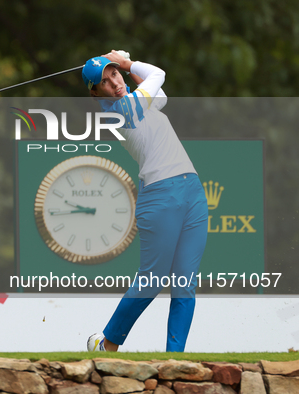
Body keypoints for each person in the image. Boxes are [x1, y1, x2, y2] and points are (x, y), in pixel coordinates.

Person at [83, 50, 209, 352]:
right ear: (96, 92)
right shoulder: (120, 109)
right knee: (152, 281)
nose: (113, 83)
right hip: (160, 195)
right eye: (105, 81)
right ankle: (108, 343)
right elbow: (157, 75)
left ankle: (174, 359)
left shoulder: (138, 100)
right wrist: (127, 63)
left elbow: (158, 92)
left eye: (114, 74)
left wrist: (126, 69)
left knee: (184, 285)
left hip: (192, 190)